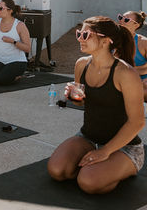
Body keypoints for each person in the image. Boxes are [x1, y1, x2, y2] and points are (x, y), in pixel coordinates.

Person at [47, 16, 144, 194]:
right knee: (57, 170)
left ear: (106, 41)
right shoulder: (81, 65)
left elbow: (137, 122)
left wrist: (105, 152)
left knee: (88, 182)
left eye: (85, 35)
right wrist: (74, 97)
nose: (79, 38)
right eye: (78, 33)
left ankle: (122, 169)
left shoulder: (125, 73)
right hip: (88, 137)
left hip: (124, 146)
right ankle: (99, 168)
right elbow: (82, 103)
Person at [0, 0, 31, 85]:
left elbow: (27, 48)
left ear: (10, 11)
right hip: (0, 60)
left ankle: (18, 76)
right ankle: (4, 71)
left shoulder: (20, 25)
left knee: (2, 79)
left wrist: (13, 42)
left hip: (17, 61)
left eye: (1, 8)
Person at [117, 10, 147, 101]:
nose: (121, 21)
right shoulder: (113, 39)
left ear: (136, 25)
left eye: (126, 20)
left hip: (142, 82)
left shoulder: (143, 42)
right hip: (119, 80)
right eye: (120, 17)